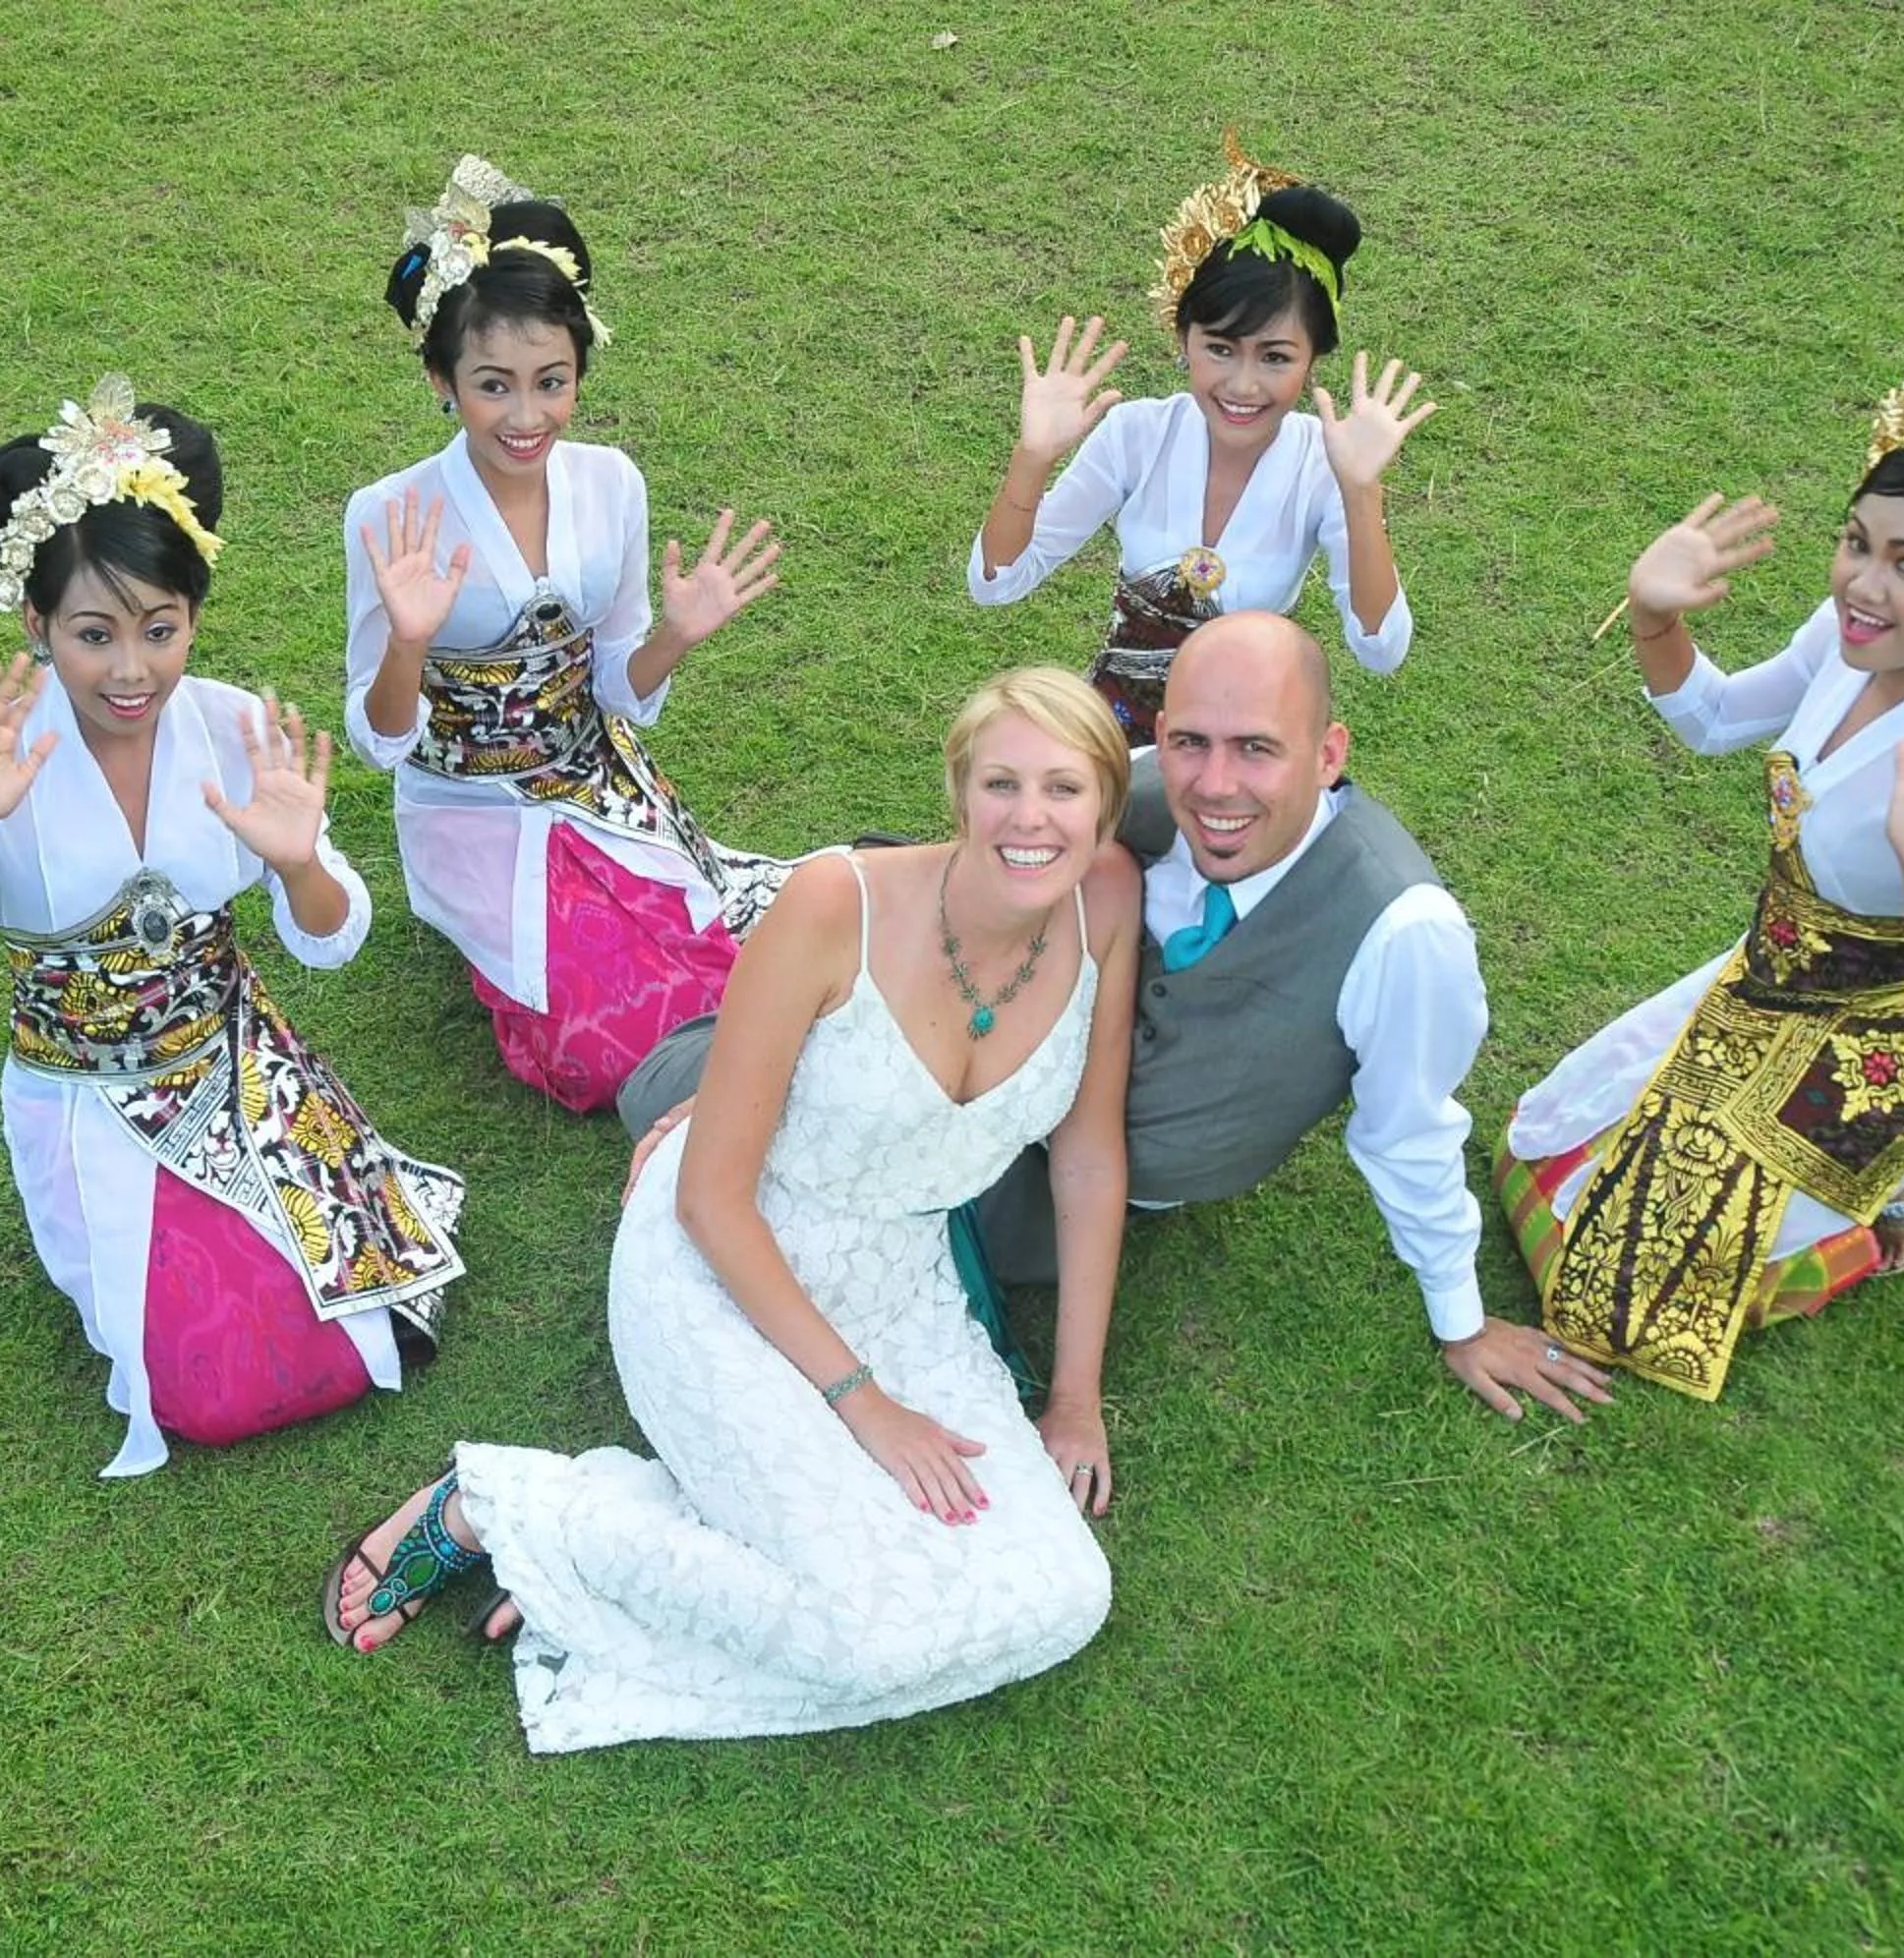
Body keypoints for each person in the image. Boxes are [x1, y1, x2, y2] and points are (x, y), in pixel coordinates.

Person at [324, 670, 1142, 1756]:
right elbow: (711, 1198)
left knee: (1063, 1598)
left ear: (1106, 806)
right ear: (958, 792)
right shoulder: (835, 904)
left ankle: (648, 1546)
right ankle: (501, 1507)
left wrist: (1075, 1400)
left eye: (1063, 789)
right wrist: (864, 1406)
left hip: (903, 1295)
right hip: (722, 1272)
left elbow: (1087, 1156)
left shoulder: (1107, 901)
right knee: (864, 1639)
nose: (1030, 819)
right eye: (1002, 784)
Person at [625, 614, 1614, 1426]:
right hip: (934, 1067)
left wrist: (1459, 1321)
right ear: (1161, 734)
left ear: (1329, 755)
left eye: (1258, 749)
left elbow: (1408, 1132)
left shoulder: (1403, 931)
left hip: (1039, 1186)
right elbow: (970, 882)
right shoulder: (1121, 795)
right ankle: (743, 1055)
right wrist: (767, 1089)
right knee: (675, 1101)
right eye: (1190, 744)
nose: (1215, 787)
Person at [0, 376, 466, 1477]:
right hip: (84, 1102)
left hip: (240, 1069)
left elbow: (334, 935)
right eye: (92, 634)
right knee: (212, 1387)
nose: (130, 670)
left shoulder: (232, 725)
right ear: (36, 623)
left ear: (193, 616)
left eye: (161, 630)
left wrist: (298, 862)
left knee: (364, 1331)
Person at [1500, 343, 1904, 1401]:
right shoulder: (1847, 638)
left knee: (1610, 1298)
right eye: (1857, 542)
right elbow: (1713, 719)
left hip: (1877, 1044)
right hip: (1768, 976)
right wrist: (1655, 615)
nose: (1864, 587)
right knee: (1538, 1151)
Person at [344, 154, 788, 1113]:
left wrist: (677, 634)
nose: (526, 416)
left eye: (552, 382)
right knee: (609, 1046)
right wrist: (409, 643)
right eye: (493, 385)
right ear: (441, 379)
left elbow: (620, 686)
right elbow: (377, 742)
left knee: (743, 970)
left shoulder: (611, 483)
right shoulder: (390, 514)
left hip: (598, 778)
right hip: (470, 810)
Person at [968, 135, 1437, 742]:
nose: (1242, 385)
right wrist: (1032, 458)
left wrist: (1362, 492)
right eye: (1219, 349)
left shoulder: (1325, 465)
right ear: (1182, 338)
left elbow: (1380, 648)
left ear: (1312, 361)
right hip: (1115, 746)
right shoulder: (1137, 433)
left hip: (1239, 755)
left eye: (1275, 357)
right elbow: (997, 582)